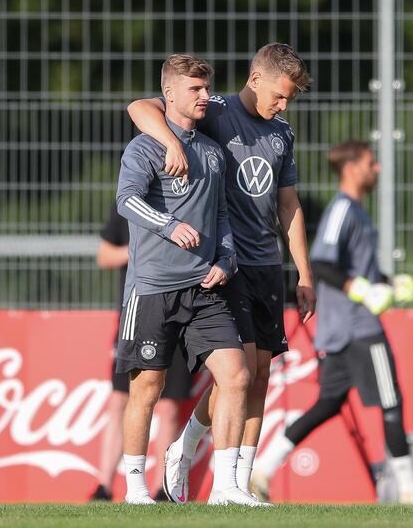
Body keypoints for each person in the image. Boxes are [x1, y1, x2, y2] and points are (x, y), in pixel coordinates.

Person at [127, 43, 316, 505]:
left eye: (290, 99)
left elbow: (288, 205)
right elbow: (141, 106)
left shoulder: (282, 133)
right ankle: (192, 450)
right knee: (240, 372)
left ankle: (236, 482)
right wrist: (171, 142)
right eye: (280, 95)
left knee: (261, 375)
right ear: (255, 80)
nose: (283, 105)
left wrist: (303, 275)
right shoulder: (215, 110)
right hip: (225, 264)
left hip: (266, 263)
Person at [250, 140, 413, 503]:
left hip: (341, 329)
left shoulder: (357, 211)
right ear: (350, 168)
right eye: (370, 163)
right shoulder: (343, 210)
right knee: (391, 400)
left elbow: (355, 268)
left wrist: (387, 282)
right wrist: (362, 290)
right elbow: (325, 263)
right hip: (358, 327)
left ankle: (264, 470)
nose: (376, 169)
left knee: (328, 403)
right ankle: (410, 489)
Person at [116, 53, 258, 506]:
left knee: (236, 377)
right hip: (153, 288)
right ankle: (136, 489)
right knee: (147, 388)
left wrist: (227, 256)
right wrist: (168, 225)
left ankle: (227, 488)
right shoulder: (144, 148)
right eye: (194, 89)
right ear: (170, 93)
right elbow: (126, 201)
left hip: (204, 288)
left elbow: (220, 216)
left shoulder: (212, 153)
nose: (203, 96)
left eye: (205, 88)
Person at [89, 205, 194, 502]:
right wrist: (140, 251)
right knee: (120, 399)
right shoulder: (129, 203)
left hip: (180, 316)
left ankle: (165, 487)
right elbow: (104, 255)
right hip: (136, 315)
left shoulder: (187, 201)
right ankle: (104, 487)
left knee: (170, 405)